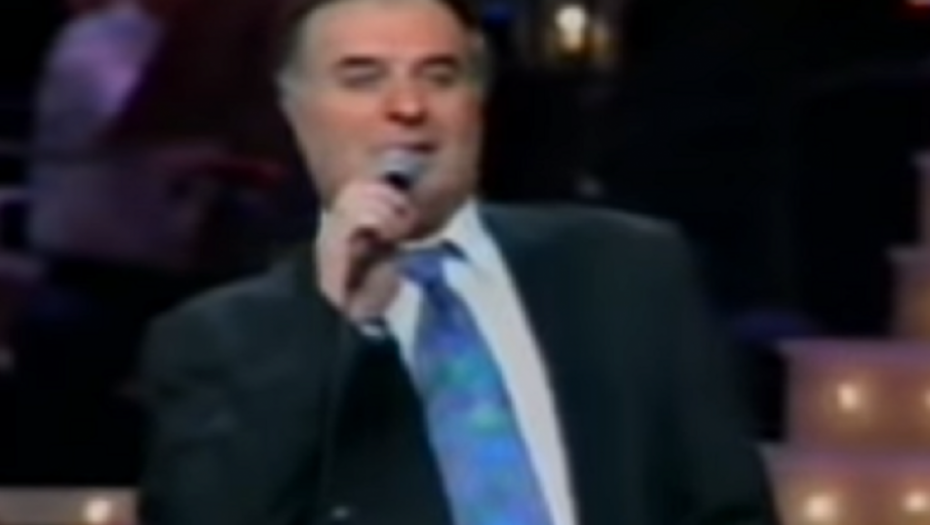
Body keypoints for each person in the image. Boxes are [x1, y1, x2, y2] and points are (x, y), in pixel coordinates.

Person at [138, 0, 780, 523]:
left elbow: (729, 510)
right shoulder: (217, 339)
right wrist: (328, 317)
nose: (408, 107)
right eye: (363, 77)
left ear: (478, 101)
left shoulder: (630, 271)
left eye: (439, 75)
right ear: (294, 111)